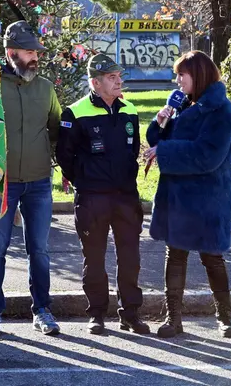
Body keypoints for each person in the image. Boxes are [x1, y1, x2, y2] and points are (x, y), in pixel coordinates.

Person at [0, 20, 62, 337]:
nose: (35, 57)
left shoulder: (45, 87)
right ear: (11, 54)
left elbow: (55, 127)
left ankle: (43, 310)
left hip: (38, 182)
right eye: (28, 52)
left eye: (37, 51)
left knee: (40, 249)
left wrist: (53, 161)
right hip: (2, 183)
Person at [143, 50, 231, 339]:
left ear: (196, 75)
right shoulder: (182, 104)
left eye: (181, 75)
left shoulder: (221, 110)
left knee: (212, 257)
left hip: (208, 198)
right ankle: (173, 319)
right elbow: (157, 141)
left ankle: (225, 317)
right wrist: (160, 122)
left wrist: (165, 151)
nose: (177, 81)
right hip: (178, 197)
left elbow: (208, 155)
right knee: (175, 255)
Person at [56, 55, 149, 336]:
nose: (119, 81)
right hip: (92, 198)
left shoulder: (129, 109)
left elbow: (133, 150)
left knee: (130, 257)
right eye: (111, 77)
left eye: (119, 76)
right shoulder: (75, 112)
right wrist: (86, 180)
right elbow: (64, 156)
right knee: (94, 258)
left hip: (125, 196)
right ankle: (96, 314)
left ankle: (130, 314)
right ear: (95, 83)